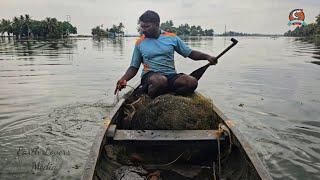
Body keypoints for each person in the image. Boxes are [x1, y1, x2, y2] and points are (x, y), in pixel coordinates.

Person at [114, 10, 217, 98]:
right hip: (150, 78)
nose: (143, 30)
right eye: (142, 27)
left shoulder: (171, 38)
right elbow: (133, 67)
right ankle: (150, 99)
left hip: (170, 76)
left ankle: (172, 98)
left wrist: (207, 57)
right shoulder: (140, 43)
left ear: (157, 24)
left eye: (147, 26)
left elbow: (190, 53)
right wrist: (123, 79)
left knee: (191, 82)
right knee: (159, 81)